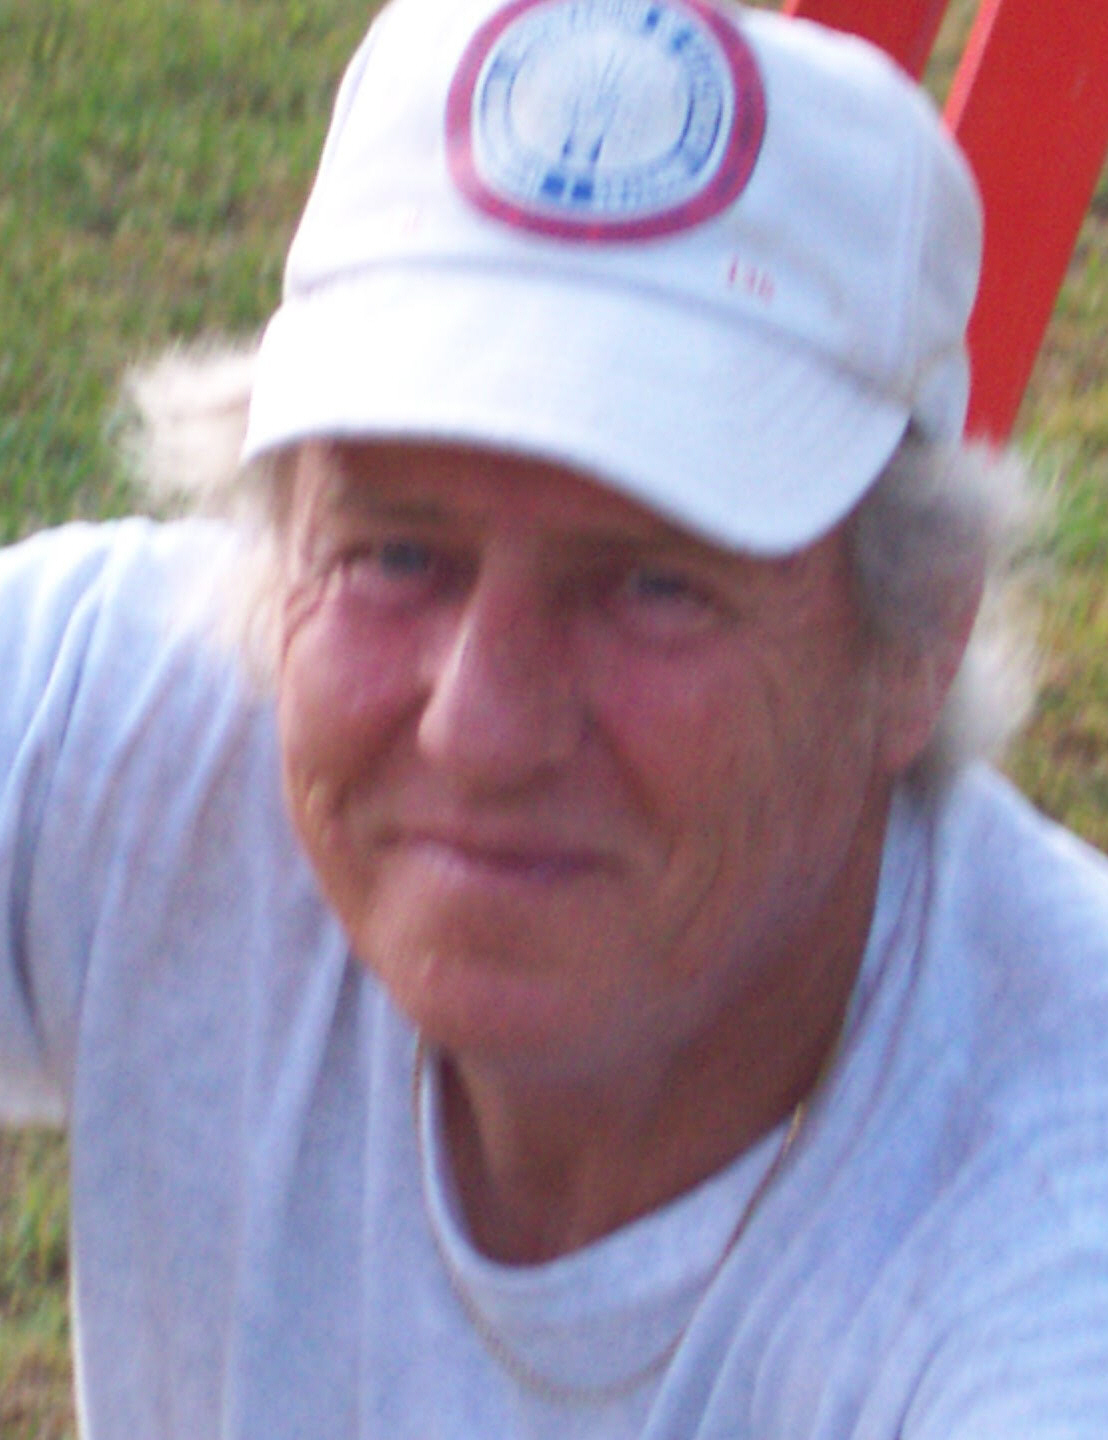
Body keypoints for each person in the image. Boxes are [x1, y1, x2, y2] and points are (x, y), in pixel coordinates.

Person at [2, 0, 1106, 1434]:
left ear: (916, 642)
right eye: (397, 554)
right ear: (275, 560)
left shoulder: (1048, 1251)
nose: (477, 727)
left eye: (653, 585)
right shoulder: (137, 728)